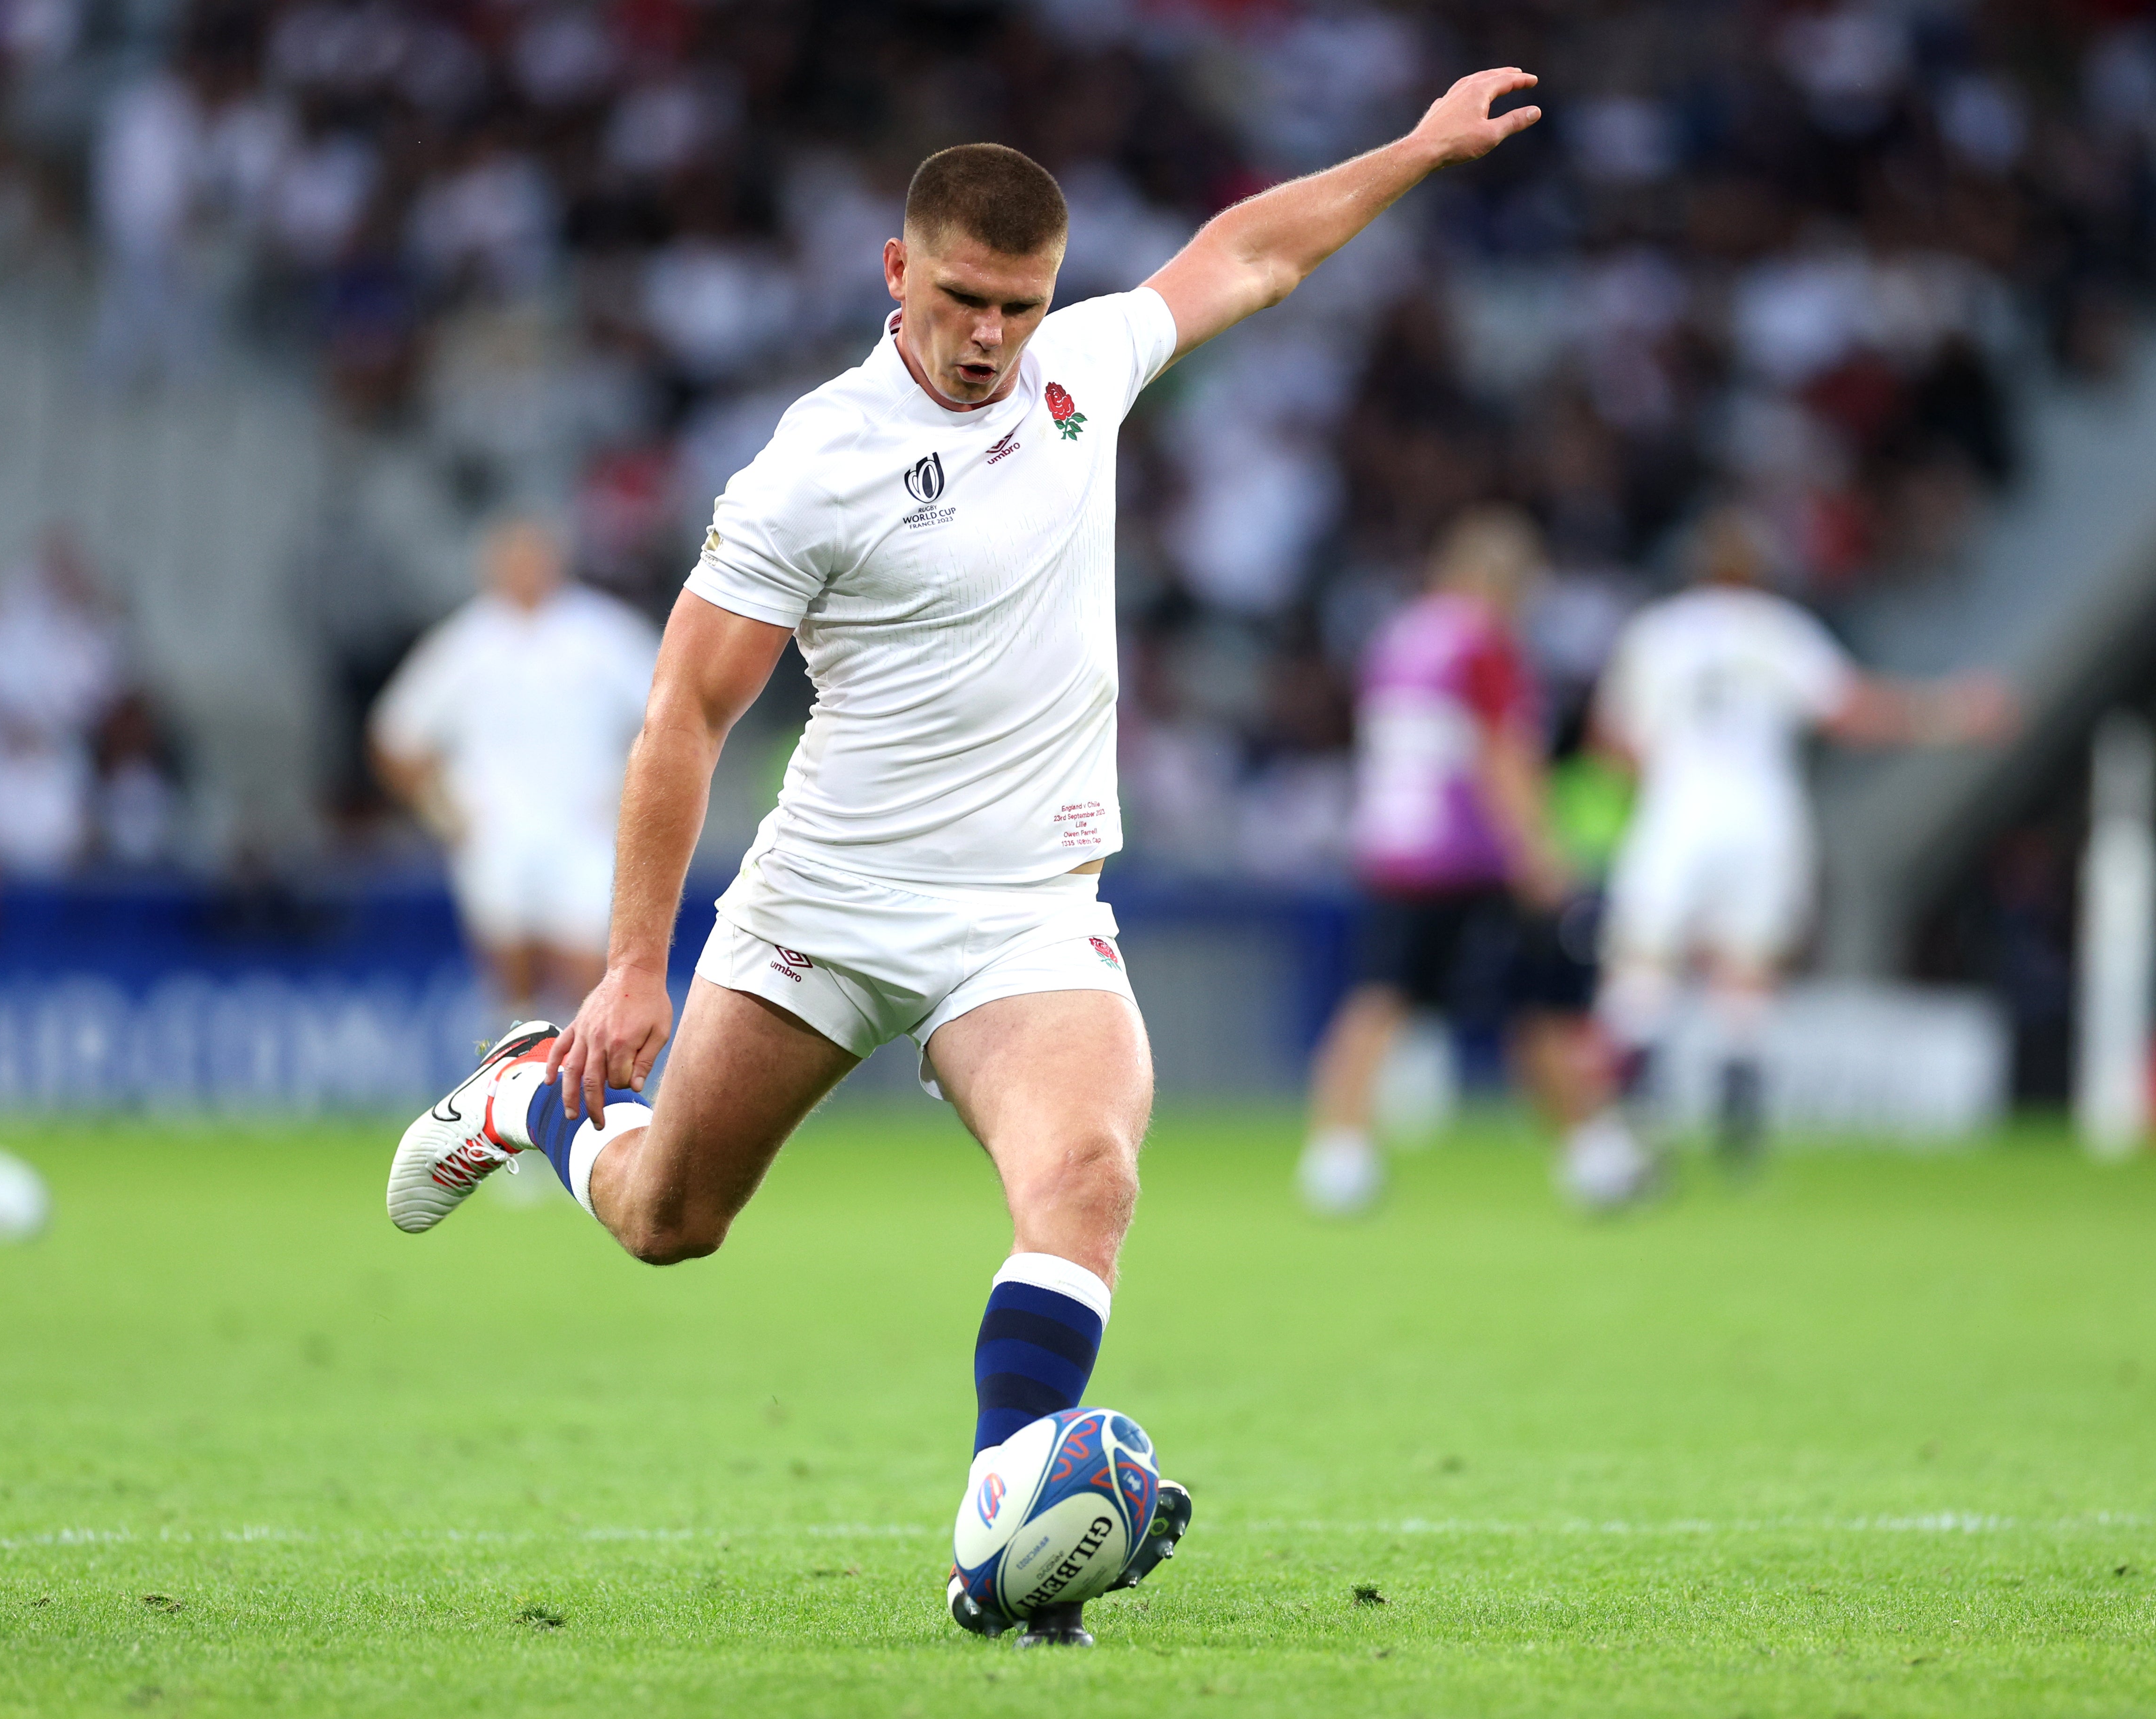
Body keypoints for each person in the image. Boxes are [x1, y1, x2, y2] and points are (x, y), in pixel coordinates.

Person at [383, 70, 1547, 1647]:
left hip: (1024, 913)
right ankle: (534, 1093)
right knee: (669, 1215)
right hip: (827, 907)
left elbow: (1248, 255)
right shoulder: (813, 465)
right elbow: (681, 714)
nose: (991, 335)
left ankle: (1004, 1530)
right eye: (961, 299)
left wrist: (1413, 150)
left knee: (1085, 1176)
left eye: (1018, 302)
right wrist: (628, 968)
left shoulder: (1078, 372)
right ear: (892, 273)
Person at [1590, 507, 2014, 1169]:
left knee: (1643, 957)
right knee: (1747, 963)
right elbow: (1852, 713)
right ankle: (1740, 1118)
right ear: (1760, 575)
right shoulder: (1778, 633)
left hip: (1678, 808)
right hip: (1762, 810)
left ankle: (1630, 1109)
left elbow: (1614, 742)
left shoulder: (1657, 633)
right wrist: (1952, 713)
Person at [1298, 508, 1649, 1216]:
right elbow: (1501, 753)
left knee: (1378, 997)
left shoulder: (1401, 635)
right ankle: (1595, 1156)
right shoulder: (1482, 642)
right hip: (1470, 851)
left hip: (1395, 845)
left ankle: (1337, 1155)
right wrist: (1539, 851)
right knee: (1539, 1002)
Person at [370, 516, 656, 1026]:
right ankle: (516, 1084)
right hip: (495, 829)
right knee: (511, 977)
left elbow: (666, 712)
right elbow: (397, 734)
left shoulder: (604, 634)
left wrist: (628, 793)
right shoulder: (465, 642)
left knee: (587, 968)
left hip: (583, 828)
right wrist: (441, 811)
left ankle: (589, 1089)